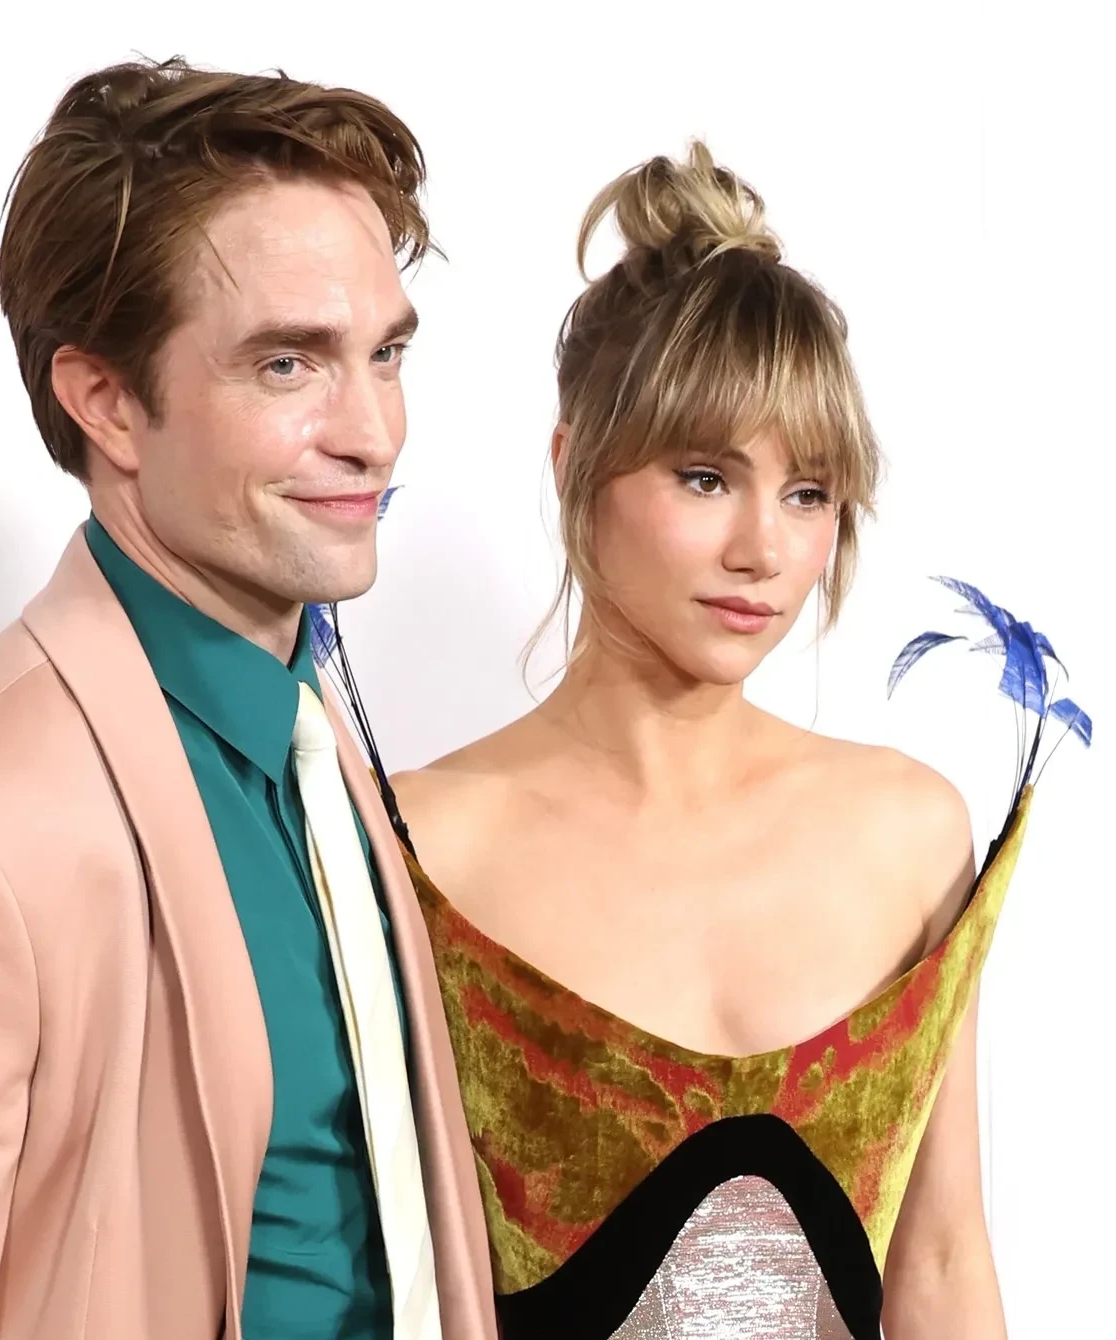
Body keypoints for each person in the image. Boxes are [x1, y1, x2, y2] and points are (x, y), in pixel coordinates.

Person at [0, 57, 496, 1340]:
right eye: (289, 364)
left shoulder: (320, 741)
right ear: (108, 403)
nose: (374, 432)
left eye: (386, 353)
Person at [389, 143, 1063, 1339]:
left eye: (810, 492)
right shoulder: (422, 842)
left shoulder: (908, 832)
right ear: (575, 465)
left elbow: (945, 1260)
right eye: (706, 477)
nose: (764, 550)